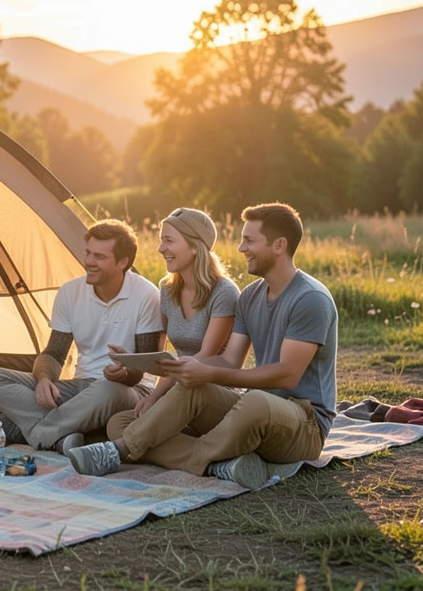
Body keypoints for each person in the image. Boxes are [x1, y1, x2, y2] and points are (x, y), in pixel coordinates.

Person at [66, 203, 338, 491]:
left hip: (304, 424)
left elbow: (287, 375)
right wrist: (187, 369)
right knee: (123, 422)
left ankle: (119, 452)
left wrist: (207, 373)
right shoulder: (249, 297)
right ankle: (220, 465)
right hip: (254, 410)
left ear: (279, 245)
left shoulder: (310, 299)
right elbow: (230, 361)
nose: (240, 248)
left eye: (249, 240)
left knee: (253, 402)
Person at [0, 219, 165, 453]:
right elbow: (54, 353)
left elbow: (144, 367)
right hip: (79, 388)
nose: (88, 262)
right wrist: (44, 380)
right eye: (88, 253)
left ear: (122, 262)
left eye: (99, 257)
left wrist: (126, 370)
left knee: (105, 390)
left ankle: (38, 434)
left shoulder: (146, 295)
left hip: (124, 390)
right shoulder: (70, 293)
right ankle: (62, 436)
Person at [104, 208, 239, 443]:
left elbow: (204, 357)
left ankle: (165, 441)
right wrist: (139, 374)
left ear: (195, 246)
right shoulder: (167, 289)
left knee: (139, 430)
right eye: (161, 240)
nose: (160, 248)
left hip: (208, 391)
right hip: (177, 388)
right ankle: (202, 451)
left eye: (169, 241)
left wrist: (158, 398)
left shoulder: (224, 293)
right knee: (118, 424)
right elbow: (162, 357)